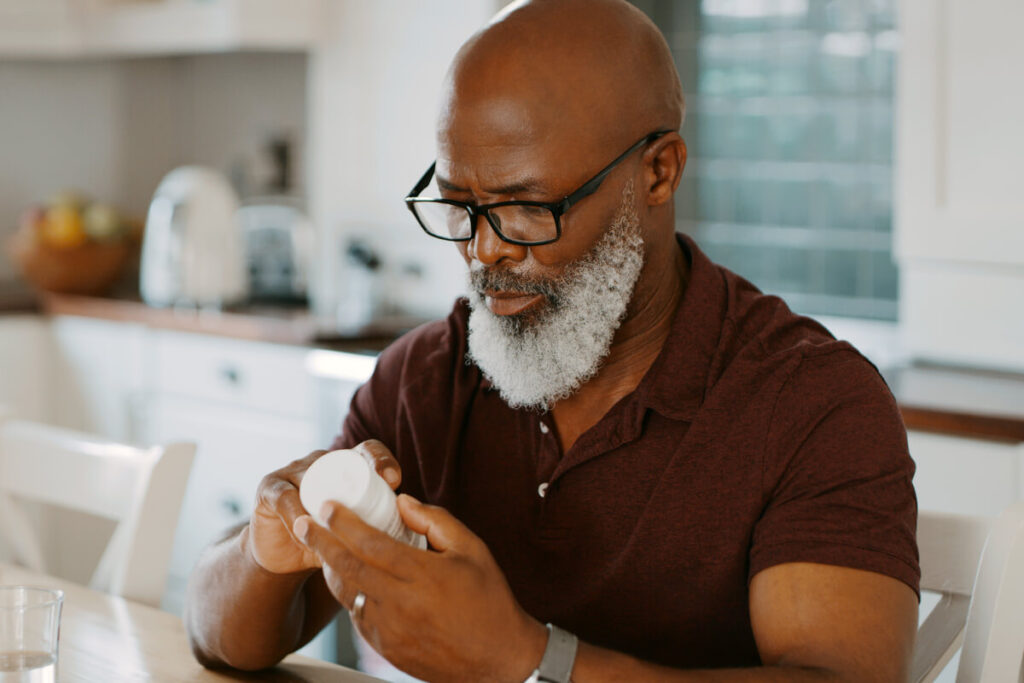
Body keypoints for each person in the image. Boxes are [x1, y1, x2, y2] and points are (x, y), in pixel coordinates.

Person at [185, 1, 919, 681]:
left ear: (658, 172)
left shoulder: (812, 403)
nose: (484, 252)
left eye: (527, 209)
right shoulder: (426, 381)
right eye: (460, 208)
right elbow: (218, 634)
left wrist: (529, 661)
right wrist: (262, 549)